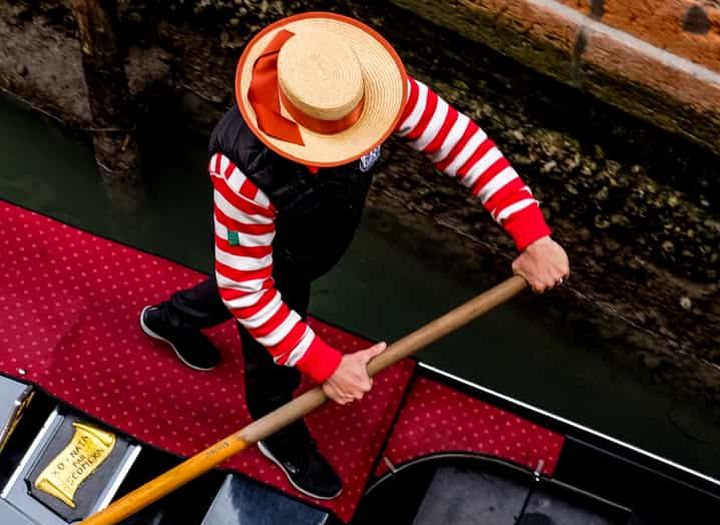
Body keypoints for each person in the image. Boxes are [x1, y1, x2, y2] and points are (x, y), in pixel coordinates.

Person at [139, 12, 569, 500]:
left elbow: (460, 142)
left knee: (241, 284)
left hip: (315, 237)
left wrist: (532, 235)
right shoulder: (240, 170)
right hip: (280, 253)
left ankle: (170, 319)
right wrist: (325, 364)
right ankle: (276, 428)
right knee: (271, 347)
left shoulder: (368, 87)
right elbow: (247, 289)